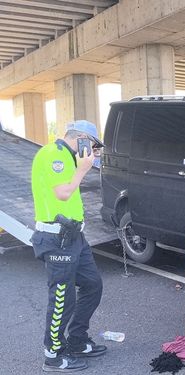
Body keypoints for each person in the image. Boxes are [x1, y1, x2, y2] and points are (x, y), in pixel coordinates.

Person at [31, 120, 106, 372]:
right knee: (63, 298)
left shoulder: (69, 159)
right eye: (92, 145)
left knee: (93, 285)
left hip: (75, 237)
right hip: (56, 238)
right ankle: (52, 354)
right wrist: (83, 168)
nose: (93, 151)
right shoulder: (53, 154)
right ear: (82, 138)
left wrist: (86, 163)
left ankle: (76, 339)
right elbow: (63, 192)